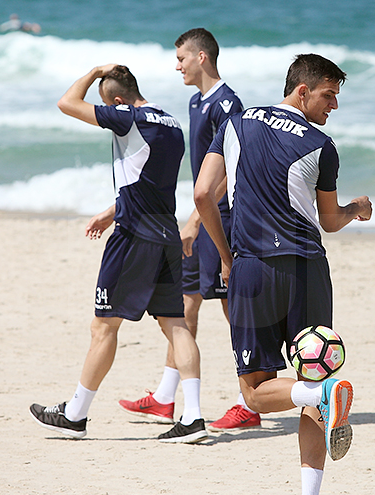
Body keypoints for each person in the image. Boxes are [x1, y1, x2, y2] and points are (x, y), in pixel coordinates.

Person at [194, 53, 372, 495]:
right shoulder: (322, 145)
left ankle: (319, 393)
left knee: (254, 395)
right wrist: (358, 207)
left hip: (253, 269)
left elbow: (201, 195)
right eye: (329, 95)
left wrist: (228, 258)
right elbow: (330, 222)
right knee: (315, 381)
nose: (334, 105)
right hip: (308, 270)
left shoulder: (234, 121)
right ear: (301, 91)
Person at [30, 64, 208, 444]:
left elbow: (66, 103)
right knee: (175, 325)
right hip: (165, 232)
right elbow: (149, 178)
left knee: (104, 326)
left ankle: (75, 414)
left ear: (115, 101)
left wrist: (94, 71)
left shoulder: (127, 115)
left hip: (134, 238)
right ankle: (192, 417)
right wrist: (113, 210)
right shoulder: (172, 121)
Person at [117, 28, 260, 432]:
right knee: (186, 306)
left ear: (202, 57)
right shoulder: (197, 100)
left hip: (225, 219)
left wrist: (197, 220)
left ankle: (247, 401)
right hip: (201, 217)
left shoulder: (228, 103)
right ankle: (165, 398)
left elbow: (234, 168)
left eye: (181, 57)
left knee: (235, 311)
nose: (176, 64)